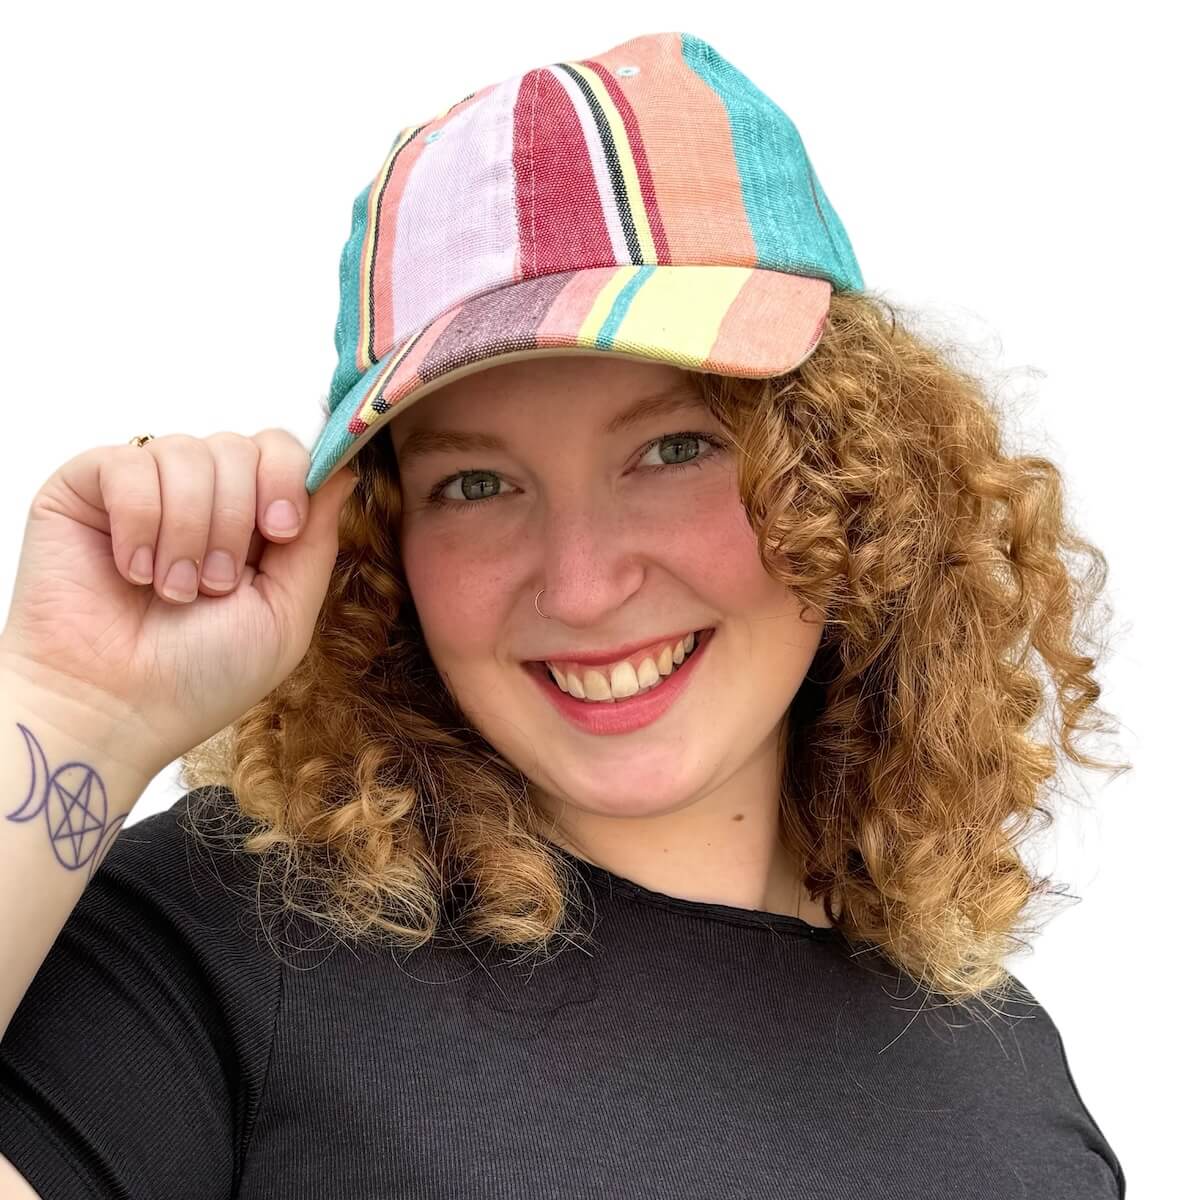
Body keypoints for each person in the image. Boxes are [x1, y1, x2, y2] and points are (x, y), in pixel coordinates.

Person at [0, 30, 1126, 1200]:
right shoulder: (227, 947)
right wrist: (71, 711)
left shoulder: (1006, 1087)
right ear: (382, 546)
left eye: (674, 449)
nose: (582, 586)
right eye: (475, 484)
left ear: (853, 475)